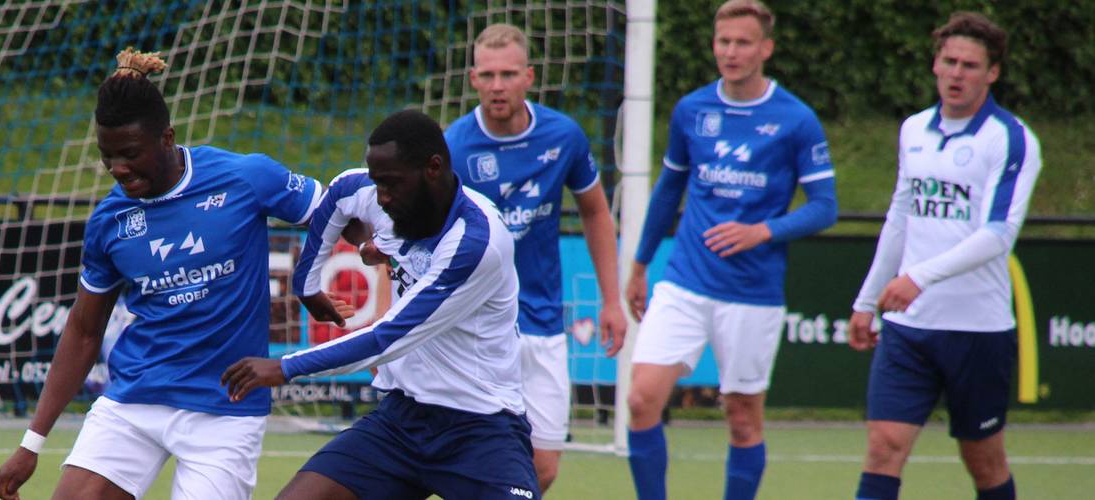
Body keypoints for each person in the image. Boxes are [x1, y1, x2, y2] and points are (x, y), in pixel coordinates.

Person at [0, 48, 323, 500]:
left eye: (130, 154)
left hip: (224, 409)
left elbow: (337, 212)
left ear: (166, 137)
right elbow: (85, 331)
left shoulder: (244, 177)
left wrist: (318, 275)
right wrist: (31, 443)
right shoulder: (110, 220)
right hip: (135, 397)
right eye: (107, 156)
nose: (118, 169)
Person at [222, 109, 541, 499]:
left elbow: (387, 338)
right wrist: (307, 287)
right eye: (377, 184)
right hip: (401, 422)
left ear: (433, 168)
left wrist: (285, 367)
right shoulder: (383, 198)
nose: (382, 198)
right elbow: (339, 192)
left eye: (391, 185)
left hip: (481, 429)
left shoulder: (477, 242)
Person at [622, 1, 838, 498]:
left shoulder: (796, 120)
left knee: (742, 419)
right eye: (724, 41)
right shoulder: (692, 110)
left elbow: (825, 207)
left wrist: (763, 231)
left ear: (766, 48)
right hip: (684, 280)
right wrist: (639, 265)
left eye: (743, 42)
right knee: (640, 400)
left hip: (751, 290)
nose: (731, 51)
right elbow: (668, 192)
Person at [848, 12, 1040, 500]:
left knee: (984, 461)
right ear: (935, 64)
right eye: (949, 61)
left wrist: (919, 277)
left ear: (992, 72)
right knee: (883, 446)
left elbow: (998, 234)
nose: (957, 74)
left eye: (970, 65)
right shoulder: (914, 129)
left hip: (977, 331)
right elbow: (899, 218)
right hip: (910, 329)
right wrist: (868, 300)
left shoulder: (1010, 138)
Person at [444, 23, 626, 493]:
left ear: (528, 76)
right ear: (473, 79)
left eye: (507, 74)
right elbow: (414, 235)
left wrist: (611, 301)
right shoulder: (452, 147)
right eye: (487, 75)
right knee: (467, 459)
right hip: (474, 328)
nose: (497, 86)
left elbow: (596, 211)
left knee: (542, 468)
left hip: (542, 324)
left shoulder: (563, 136)